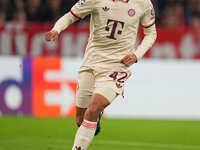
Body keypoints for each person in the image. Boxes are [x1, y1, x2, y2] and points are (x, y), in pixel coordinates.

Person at [45, 0, 157, 149]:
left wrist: (137, 55)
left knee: (94, 107)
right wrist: (56, 29)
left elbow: (151, 33)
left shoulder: (143, 3)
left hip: (118, 65)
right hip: (92, 61)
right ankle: (94, 117)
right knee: (80, 119)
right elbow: (70, 15)